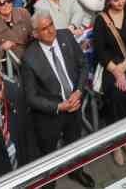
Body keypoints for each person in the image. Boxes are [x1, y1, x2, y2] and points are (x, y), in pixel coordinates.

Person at [19, 11, 95, 187]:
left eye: (51, 24)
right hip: (50, 113)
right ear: (36, 33)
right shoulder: (29, 58)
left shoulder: (66, 36)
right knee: (48, 153)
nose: (50, 30)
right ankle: (49, 182)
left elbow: (83, 64)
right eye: (44, 29)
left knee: (74, 142)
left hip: (74, 103)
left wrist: (78, 91)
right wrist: (59, 106)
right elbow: (31, 98)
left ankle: (77, 171)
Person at [91, 0, 126, 167]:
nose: (120, 3)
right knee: (115, 95)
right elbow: (99, 50)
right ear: (109, 0)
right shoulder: (101, 20)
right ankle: (116, 143)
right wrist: (115, 70)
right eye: (116, 0)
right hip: (109, 67)